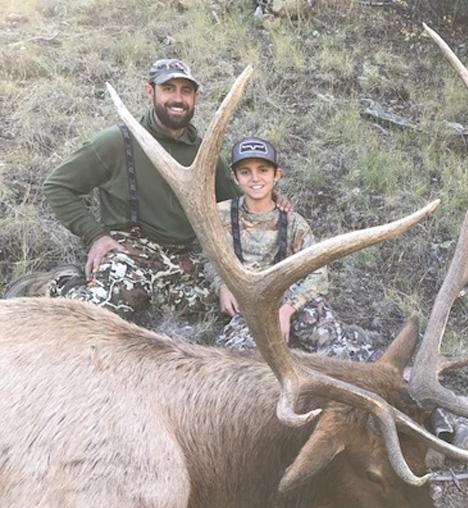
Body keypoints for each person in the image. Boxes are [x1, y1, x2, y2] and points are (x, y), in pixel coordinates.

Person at [7, 58, 290, 317]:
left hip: (182, 259)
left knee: (224, 305)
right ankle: (59, 283)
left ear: (195, 98)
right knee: (103, 312)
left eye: (186, 91)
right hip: (131, 250)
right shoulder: (118, 142)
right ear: (149, 91)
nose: (178, 99)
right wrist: (96, 236)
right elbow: (58, 186)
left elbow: (235, 207)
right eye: (168, 89)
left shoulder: (205, 153)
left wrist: (270, 198)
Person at [210, 137, 375, 360]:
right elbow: (210, 256)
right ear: (235, 177)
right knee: (235, 361)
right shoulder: (219, 215)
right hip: (249, 303)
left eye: (263, 170)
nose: (255, 178)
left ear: (277, 174)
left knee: (340, 354)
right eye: (246, 172)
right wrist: (222, 286)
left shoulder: (295, 223)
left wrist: (287, 310)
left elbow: (318, 273)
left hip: (290, 298)